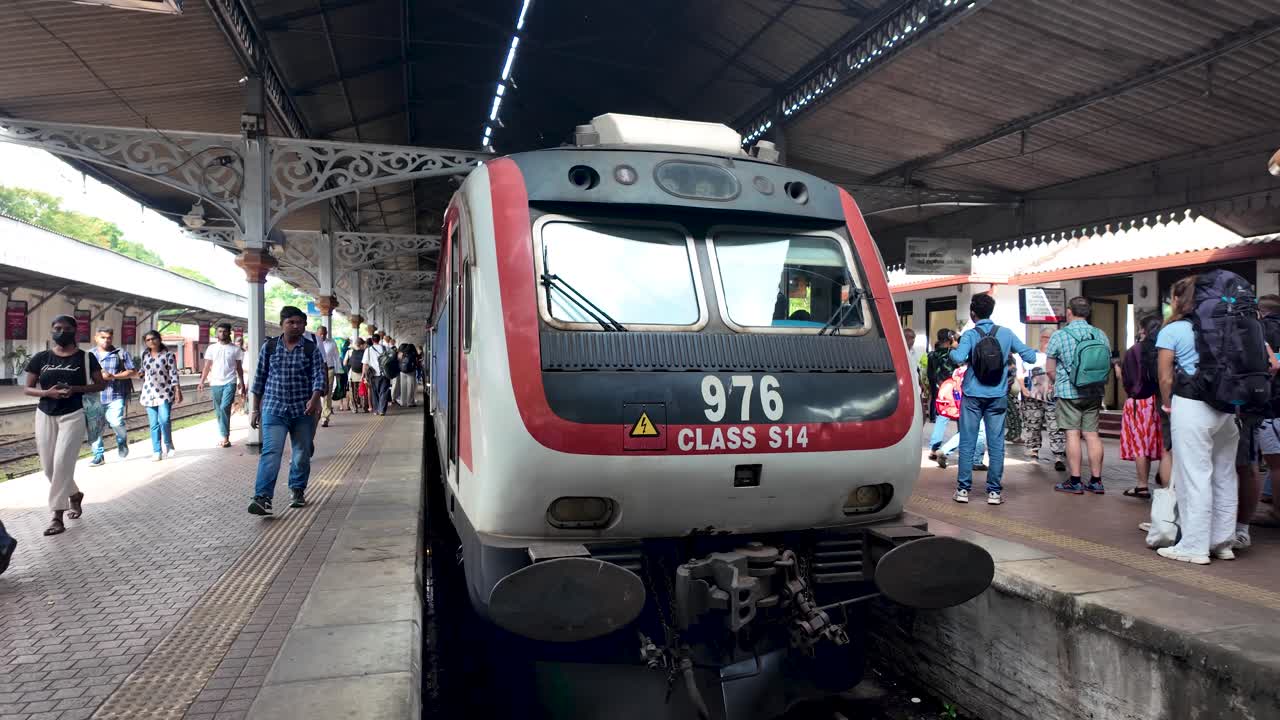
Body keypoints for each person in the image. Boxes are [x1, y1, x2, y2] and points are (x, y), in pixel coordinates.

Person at [1155, 276, 1237, 564]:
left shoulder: (1173, 329)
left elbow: (1165, 376)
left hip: (1191, 405)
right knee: (1225, 474)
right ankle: (1222, 542)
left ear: (1177, 300)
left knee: (1194, 475)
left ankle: (1194, 546)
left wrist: (1167, 406)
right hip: (1227, 407)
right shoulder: (1231, 324)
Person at [948, 293, 1037, 505]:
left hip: (972, 394)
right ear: (991, 311)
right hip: (997, 395)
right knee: (996, 443)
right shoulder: (1005, 333)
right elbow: (1031, 357)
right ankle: (994, 492)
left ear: (972, 313)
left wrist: (953, 351)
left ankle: (963, 490)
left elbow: (958, 359)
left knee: (968, 442)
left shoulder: (970, 335)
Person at [24, 315, 106, 536]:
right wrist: (46, 393)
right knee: (49, 467)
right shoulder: (41, 358)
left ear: (75, 331)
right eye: (57, 328)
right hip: (45, 413)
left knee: (62, 463)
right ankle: (75, 494)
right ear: (51, 331)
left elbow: (100, 384)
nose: (61, 332)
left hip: (74, 413)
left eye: (66, 328)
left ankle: (56, 516)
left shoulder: (85, 358)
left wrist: (75, 389)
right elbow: (27, 388)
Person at [248, 306, 327, 516]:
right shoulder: (270, 347)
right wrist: (255, 409)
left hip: (303, 410)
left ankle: (297, 489)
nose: (295, 326)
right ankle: (262, 497)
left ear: (304, 325)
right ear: (282, 324)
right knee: (271, 452)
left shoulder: (311, 349)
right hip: (274, 409)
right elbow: (259, 378)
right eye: (291, 322)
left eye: (299, 322)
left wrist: (315, 398)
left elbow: (319, 376)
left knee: (301, 453)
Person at [1046, 297, 1111, 495]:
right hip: (1094, 391)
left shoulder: (1059, 335)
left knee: (1072, 434)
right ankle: (1096, 480)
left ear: (1069, 312)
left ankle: (1075, 480)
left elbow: (1049, 369)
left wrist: (1061, 382)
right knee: (1092, 435)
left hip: (1069, 393)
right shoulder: (1100, 334)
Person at [1240, 294, 1280, 544]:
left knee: (1271, 463)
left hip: (1270, 404)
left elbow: (1271, 365)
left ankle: (1276, 512)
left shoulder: (1260, 331)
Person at [1116, 314, 1165, 499]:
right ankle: (1165, 476)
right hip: (1162, 399)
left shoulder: (1134, 350)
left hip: (1138, 402)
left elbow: (1127, 380)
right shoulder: (1164, 348)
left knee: (1141, 444)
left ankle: (1142, 485)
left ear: (1142, 329)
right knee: (1163, 441)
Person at [1017, 328, 1066, 470]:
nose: (1047, 341)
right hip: (1032, 398)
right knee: (1032, 425)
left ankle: (1058, 456)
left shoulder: (1059, 357)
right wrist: (1023, 388)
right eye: (1045, 337)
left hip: (1053, 398)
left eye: (1050, 338)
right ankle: (1033, 453)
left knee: (1056, 427)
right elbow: (1021, 373)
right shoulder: (1031, 355)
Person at [89, 327, 137, 466]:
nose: (106, 340)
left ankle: (121, 441)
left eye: (109, 337)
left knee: (116, 422)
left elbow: (133, 371)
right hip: (94, 396)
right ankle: (98, 456)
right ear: (96, 338)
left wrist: (113, 376)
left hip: (115, 394)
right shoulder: (89, 355)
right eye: (103, 337)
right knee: (95, 428)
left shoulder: (120, 353)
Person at [198, 322, 245, 448]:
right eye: (219, 331)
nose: (222, 333)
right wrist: (202, 381)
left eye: (224, 331)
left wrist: (242, 383)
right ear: (216, 333)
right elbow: (207, 366)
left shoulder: (236, 349)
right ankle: (223, 434)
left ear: (229, 333)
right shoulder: (212, 348)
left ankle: (225, 437)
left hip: (230, 381)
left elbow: (239, 368)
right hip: (215, 382)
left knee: (224, 407)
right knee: (218, 410)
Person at [139, 330, 182, 461]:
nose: (151, 342)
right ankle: (157, 451)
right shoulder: (145, 355)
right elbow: (143, 369)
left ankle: (168, 444)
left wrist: (177, 390)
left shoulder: (168, 355)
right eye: (148, 340)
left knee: (164, 420)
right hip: (149, 392)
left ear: (159, 339)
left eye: (153, 339)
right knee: (153, 424)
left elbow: (173, 373)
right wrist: (138, 373)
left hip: (165, 392)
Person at [934, 366, 988, 470]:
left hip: (962, 403)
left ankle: (944, 450)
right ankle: (977, 461)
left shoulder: (959, 370)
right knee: (980, 430)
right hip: (976, 402)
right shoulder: (977, 369)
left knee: (967, 431)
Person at [925, 329, 958, 458]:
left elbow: (929, 374)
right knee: (962, 419)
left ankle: (934, 447)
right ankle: (949, 449)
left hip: (939, 390)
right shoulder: (953, 354)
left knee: (941, 418)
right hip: (953, 390)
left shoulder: (932, 355)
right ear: (950, 338)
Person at [315, 325, 340, 427]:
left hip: (329, 371)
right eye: (320, 334)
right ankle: (316, 413)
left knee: (327, 394)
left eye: (324, 334)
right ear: (317, 333)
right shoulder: (313, 343)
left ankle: (325, 417)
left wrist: (338, 371)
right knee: (315, 393)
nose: (322, 336)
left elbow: (336, 358)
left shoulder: (332, 343)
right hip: (315, 371)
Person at [364, 331, 390, 415]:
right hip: (385, 374)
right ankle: (382, 410)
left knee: (374, 393)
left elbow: (365, 364)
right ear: (379, 339)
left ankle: (376, 410)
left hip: (373, 375)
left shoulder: (368, 350)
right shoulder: (386, 348)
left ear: (372, 340)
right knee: (384, 392)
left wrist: (364, 375)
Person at [346, 337, 367, 413]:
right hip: (362, 374)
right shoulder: (365, 352)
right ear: (361, 345)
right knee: (363, 390)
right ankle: (364, 407)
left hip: (353, 374)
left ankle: (354, 408)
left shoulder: (349, 352)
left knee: (353, 392)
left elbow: (344, 363)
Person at [398, 343, 419, 407]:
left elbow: (398, 361)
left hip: (402, 371)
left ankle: (403, 402)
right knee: (411, 387)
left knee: (403, 387)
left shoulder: (401, 353)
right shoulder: (414, 354)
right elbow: (416, 362)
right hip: (411, 372)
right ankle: (410, 402)